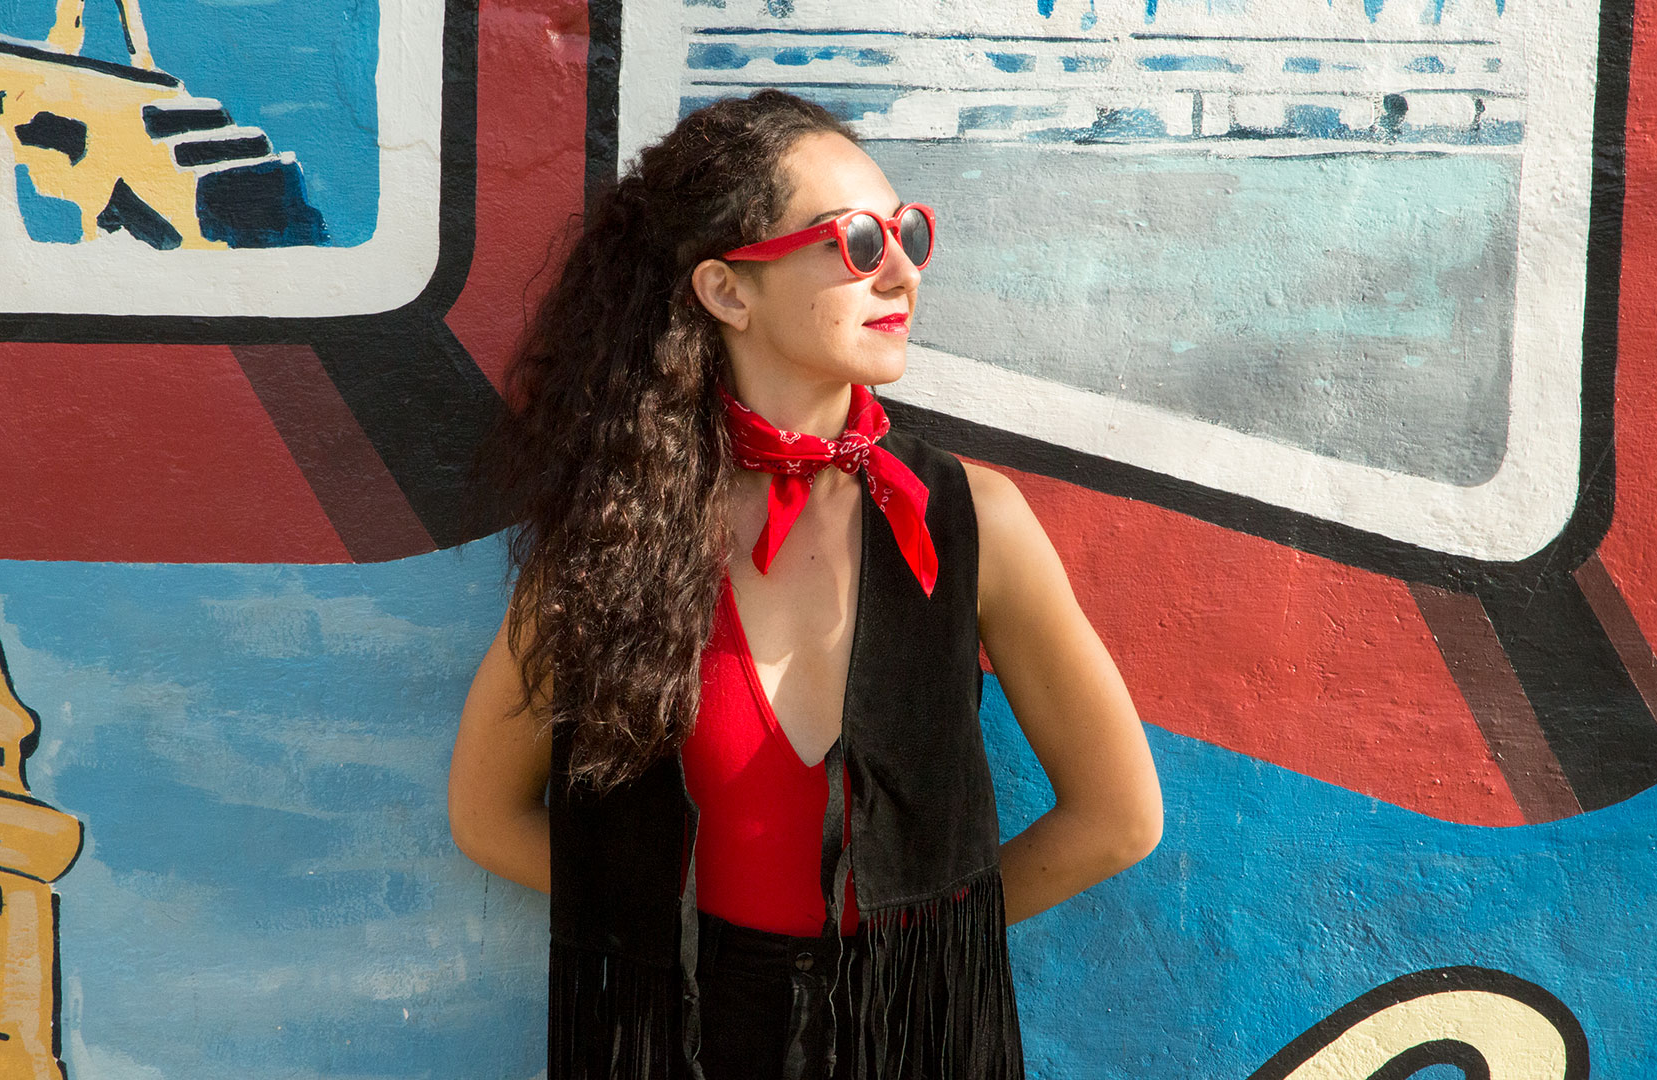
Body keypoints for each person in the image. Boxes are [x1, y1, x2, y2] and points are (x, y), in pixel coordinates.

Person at [447, 89, 1162, 1079]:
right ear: (729, 292)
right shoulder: (614, 537)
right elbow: (487, 815)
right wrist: (683, 935)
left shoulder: (972, 521)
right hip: (686, 1041)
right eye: (858, 242)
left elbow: (1118, 817)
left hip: (917, 1037)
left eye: (908, 232)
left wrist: (919, 941)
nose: (902, 270)